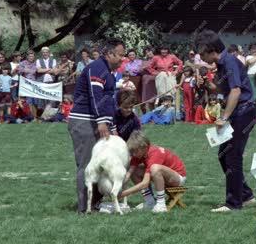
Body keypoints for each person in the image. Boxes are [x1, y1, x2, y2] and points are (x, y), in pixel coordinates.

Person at [194, 29, 256, 212]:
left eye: (202, 53)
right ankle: (245, 195)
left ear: (211, 49)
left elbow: (236, 92)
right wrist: (207, 84)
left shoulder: (229, 62)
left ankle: (233, 203)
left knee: (232, 156)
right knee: (224, 154)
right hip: (239, 112)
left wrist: (223, 117)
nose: (201, 57)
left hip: (243, 112)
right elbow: (224, 90)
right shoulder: (222, 64)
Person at [68, 39, 125, 214]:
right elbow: (95, 96)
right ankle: (84, 208)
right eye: (120, 55)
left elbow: (108, 101)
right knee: (87, 165)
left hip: (98, 121)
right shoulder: (97, 68)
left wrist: (112, 125)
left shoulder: (107, 71)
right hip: (85, 121)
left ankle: (95, 204)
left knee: (103, 163)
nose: (123, 59)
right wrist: (101, 120)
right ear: (109, 54)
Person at [121, 131, 187, 213]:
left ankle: (161, 204)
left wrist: (124, 193)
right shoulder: (139, 154)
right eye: (132, 151)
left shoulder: (155, 153)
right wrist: (117, 188)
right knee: (136, 170)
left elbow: (145, 183)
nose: (134, 154)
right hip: (164, 177)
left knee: (155, 168)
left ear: (144, 147)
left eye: (135, 151)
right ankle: (150, 202)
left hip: (178, 178)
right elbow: (129, 174)